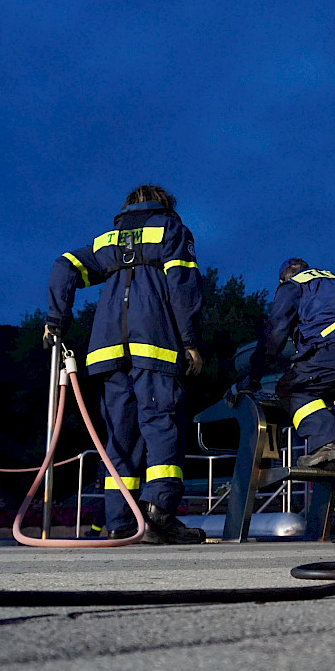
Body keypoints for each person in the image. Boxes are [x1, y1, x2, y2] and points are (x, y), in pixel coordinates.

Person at [44, 184, 206, 544]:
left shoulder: (107, 241)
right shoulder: (171, 230)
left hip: (107, 353)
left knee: (120, 438)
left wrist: (56, 319)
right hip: (156, 346)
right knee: (163, 426)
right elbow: (182, 285)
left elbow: (64, 265)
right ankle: (158, 515)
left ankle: (121, 522)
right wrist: (192, 343)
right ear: (165, 205)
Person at [241, 259, 335, 541]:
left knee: (290, 387)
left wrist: (252, 378)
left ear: (282, 280)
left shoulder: (292, 286)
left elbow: (275, 333)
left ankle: (325, 440)